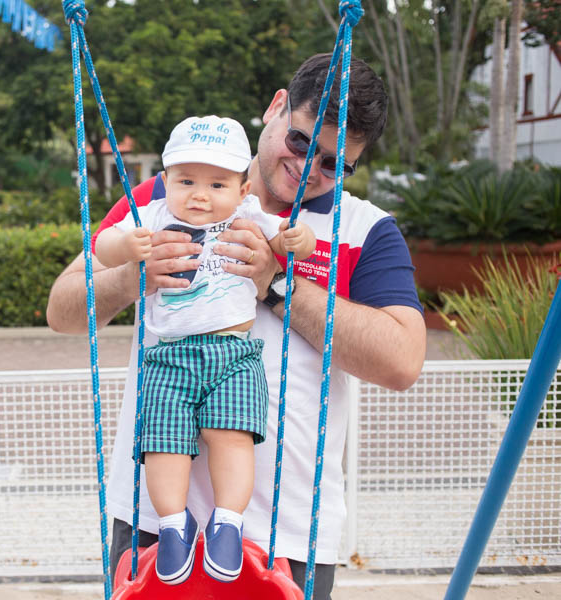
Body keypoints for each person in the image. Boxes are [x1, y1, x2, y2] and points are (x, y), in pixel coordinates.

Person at [46, 53, 426, 598]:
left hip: (288, 532)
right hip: (154, 519)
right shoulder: (171, 194)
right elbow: (62, 309)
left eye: (334, 164)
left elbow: (402, 361)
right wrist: (137, 276)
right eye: (300, 142)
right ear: (276, 107)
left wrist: (276, 285)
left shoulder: (366, 232)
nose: (308, 168)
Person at [94, 114, 316, 585]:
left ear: (241, 188)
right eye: (186, 180)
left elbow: (291, 240)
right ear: (166, 180)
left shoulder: (248, 215)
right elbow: (103, 244)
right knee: (163, 447)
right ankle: (174, 526)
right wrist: (125, 245)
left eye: (217, 183)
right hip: (168, 358)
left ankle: (228, 523)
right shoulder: (154, 215)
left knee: (231, 436)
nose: (199, 194)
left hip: (231, 355)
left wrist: (298, 239)